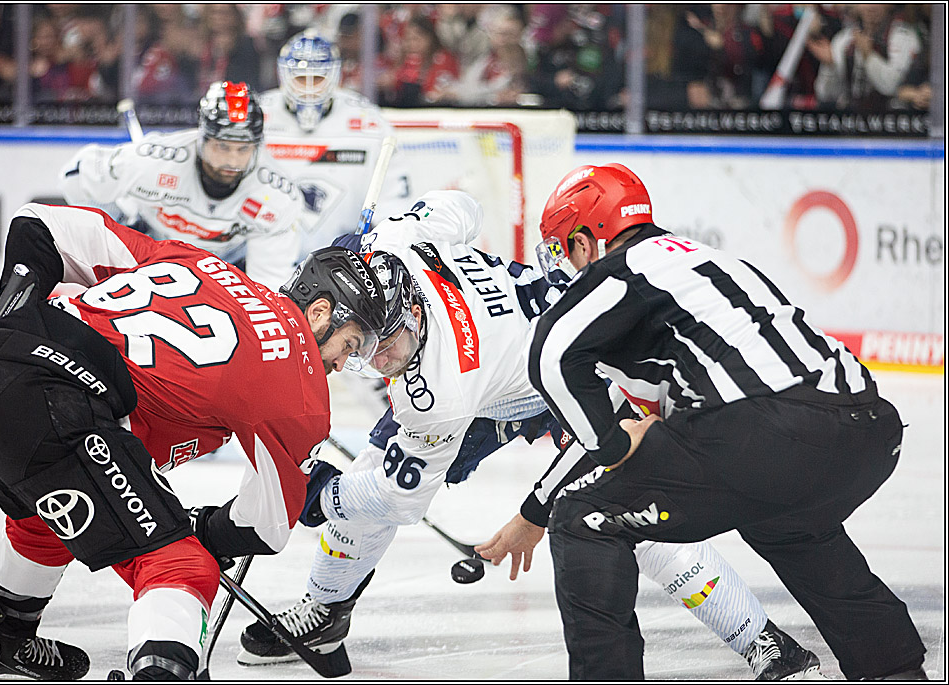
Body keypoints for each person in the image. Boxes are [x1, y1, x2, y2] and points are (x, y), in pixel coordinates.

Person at [235, 190, 822, 680]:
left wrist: (323, 498)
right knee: (372, 469)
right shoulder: (399, 249)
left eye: (385, 342)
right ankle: (329, 610)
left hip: (576, 377)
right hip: (520, 354)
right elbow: (460, 205)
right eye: (367, 344)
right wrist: (397, 220)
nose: (380, 359)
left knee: (627, 514)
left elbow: (402, 500)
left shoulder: (434, 389)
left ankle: (761, 639)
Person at [485, 163, 928, 680]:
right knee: (792, 527)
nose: (565, 264)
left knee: (585, 520)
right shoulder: (705, 265)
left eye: (564, 248)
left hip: (763, 431)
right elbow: (639, 423)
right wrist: (536, 509)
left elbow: (550, 354)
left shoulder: (623, 270)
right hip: (868, 429)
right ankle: (895, 671)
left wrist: (607, 451)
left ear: (588, 239)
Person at [0, 202, 388, 680]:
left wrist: (12, 303)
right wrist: (204, 532)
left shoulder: (203, 264)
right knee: (181, 565)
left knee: (48, 512)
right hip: (52, 406)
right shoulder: (302, 391)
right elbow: (268, 525)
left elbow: (41, 223)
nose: (342, 364)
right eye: (351, 345)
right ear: (320, 313)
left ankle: (3, 638)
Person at [59, 80, 303, 290]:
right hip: (148, 251)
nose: (232, 160)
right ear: (202, 138)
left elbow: (269, 282)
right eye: (222, 146)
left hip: (224, 269)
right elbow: (76, 174)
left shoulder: (278, 195)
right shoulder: (153, 161)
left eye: (243, 149)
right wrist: (114, 231)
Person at [257, 29, 410, 262]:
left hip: (343, 261)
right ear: (283, 76)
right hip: (266, 253)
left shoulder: (369, 121)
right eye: (300, 78)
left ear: (334, 76)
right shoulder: (258, 114)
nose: (308, 88)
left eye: (317, 78)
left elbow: (394, 204)